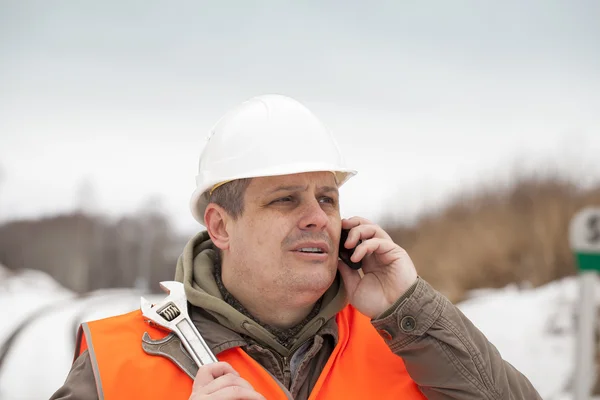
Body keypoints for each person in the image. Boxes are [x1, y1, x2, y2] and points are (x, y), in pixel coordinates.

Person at [51, 94, 541, 399]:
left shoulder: (408, 342)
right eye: (286, 200)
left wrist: (412, 307)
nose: (317, 217)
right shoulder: (118, 360)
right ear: (220, 226)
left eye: (327, 198)